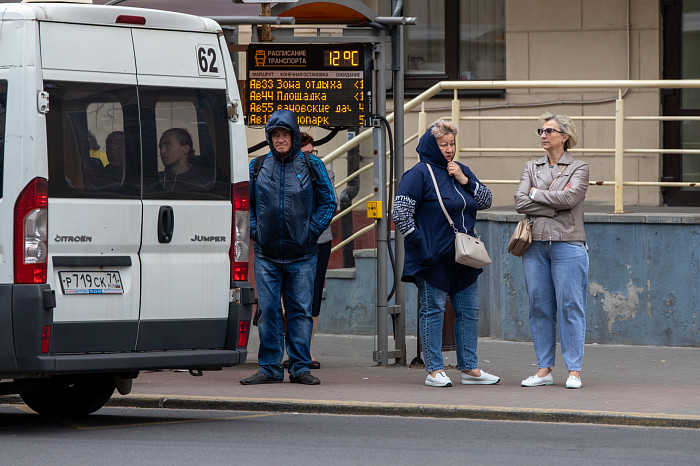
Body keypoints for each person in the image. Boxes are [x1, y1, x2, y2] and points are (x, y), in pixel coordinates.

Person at [392, 119, 500, 388]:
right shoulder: (418, 174)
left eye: (452, 144)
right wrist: (421, 243)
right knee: (433, 310)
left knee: (469, 311)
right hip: (432, 257)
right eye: (443, 145)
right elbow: (400, 213)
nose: (449, 150)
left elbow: (486, 200)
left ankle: (469, 369)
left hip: (464, 256)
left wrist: (464, 180)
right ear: (432, 145)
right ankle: (434, 370)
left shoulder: (461, 170)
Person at [241, 110, 336, 386]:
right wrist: (257, 231)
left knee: (300, 311)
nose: (280, 139)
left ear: (294, 136)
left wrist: (310, 232)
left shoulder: (311, 164)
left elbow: (329, 202)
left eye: (285, 134)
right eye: (275, 135)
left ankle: (299, 367)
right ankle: (269, 367)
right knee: (268, 310)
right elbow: (247, 206)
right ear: (270, 138)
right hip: (266, 255)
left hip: (303, 255)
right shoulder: (257, 166)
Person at [514, 113, 589, 389]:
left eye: (549, 131)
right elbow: (519, 201)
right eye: (540, 131)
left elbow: (570, 198)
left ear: (564, 137)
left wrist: (536, 194)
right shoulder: (531, 166)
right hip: (535, 245)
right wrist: (553, 205)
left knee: (570, 306)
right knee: (539, 306)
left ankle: (574, 371)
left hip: (568, 243)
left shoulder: (579, 167)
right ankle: (544, 370)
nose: (543, 135)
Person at [302, 132, 338, 369]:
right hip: (288, 243)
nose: (310, 158)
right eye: (304, 154)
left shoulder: (325, 173)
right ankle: (290, 350)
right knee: (292, 295)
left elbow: (330, 204)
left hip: (319, 240)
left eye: (312, 153)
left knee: (314, 293)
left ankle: (306, 351)